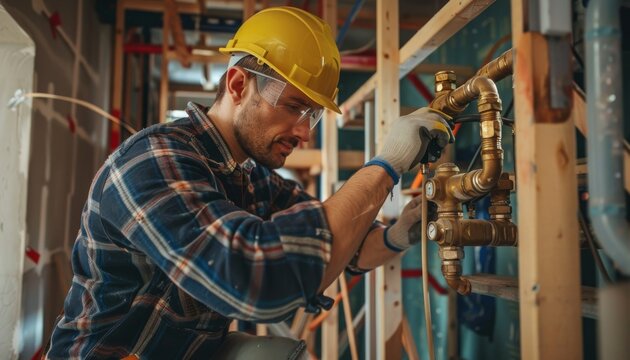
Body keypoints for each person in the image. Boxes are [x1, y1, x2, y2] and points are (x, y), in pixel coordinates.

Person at [45, 6, 452, 359]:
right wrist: (384, 165)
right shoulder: (153, 162)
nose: (304, 132)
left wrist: (400, 234)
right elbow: (257, 284)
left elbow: (343, 249)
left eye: (312, 115)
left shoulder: (249, 178)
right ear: (239, 85)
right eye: (294, 106)